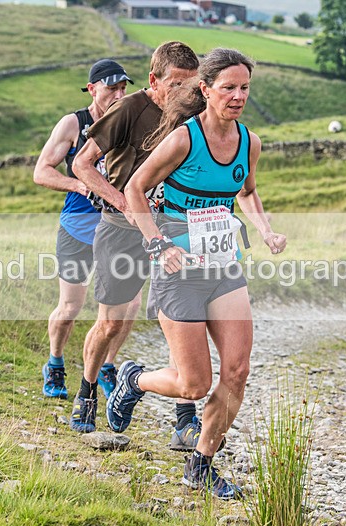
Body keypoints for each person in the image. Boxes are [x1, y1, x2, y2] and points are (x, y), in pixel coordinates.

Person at [111, 48, 287, 499]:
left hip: (224, 264)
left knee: (237, 369)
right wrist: (157, 242)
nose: (238, 96)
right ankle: (134, 379)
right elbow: (134, 189)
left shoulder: (250, 141)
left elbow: (247, 191)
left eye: (244, 87)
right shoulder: (183, 140)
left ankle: (201, 464)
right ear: (205, 90)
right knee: (194, 383)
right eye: (228, 87)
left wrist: (265, 230)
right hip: (177, 267)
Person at [70, 41, 200, 435]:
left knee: (181, 323)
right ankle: (87, 392)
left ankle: (185, 419)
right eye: (175, 84)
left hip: (174, 232)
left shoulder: (194, 112)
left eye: (191, 84)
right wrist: (123, 203)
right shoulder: (128, 108)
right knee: (110, 323)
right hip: (121, 230)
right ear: (153, 80)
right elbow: (81, 164)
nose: (184, 93)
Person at [33, 59, 132, 400]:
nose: (119, 95)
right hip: (79, 227)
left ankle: (106, 365)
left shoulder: (131, 121)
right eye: (111, 88)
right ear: (92, 89)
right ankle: (55, 362)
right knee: (70, 307)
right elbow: (41, 171)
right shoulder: (74, 124)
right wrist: (78, 185)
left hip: (119, 228)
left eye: (124, 88)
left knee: (128, 308)